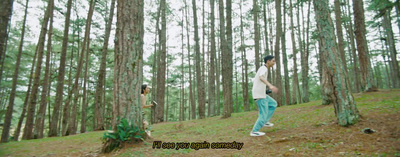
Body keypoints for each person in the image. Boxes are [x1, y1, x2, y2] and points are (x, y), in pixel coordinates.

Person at [250, 55, 278, 137]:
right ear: (268, 61)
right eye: (273, 61)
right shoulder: (264, 68)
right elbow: (261, 77)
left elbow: (259, 82)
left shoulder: (264, 69)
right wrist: (270, 85)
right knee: (263, 113)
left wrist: (266, 91)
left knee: (273, 104)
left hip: (262, 94)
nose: (274, 63)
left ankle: (265, 121)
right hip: (259, 95)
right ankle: (255, 131)